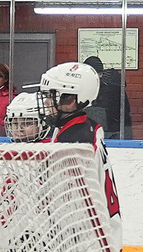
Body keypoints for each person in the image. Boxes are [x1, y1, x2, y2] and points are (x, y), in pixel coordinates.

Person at [41, 61, 120, 217]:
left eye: (52, 96)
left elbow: (71, 202)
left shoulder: (75, 140)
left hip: (86, 232)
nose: (46, 102)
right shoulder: (82, 127)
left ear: (70, 101)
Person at [82, 51, 131, 140]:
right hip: (102, 132)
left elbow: (101, 114)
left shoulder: (111, 90)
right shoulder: (88, 88)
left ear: (100, 74)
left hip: (112, 134)